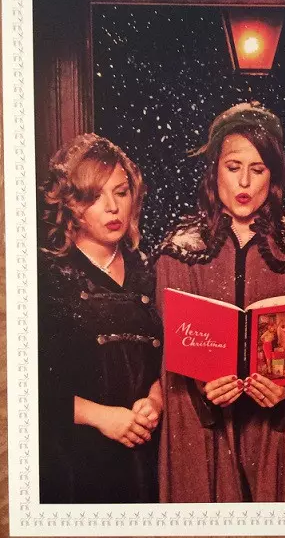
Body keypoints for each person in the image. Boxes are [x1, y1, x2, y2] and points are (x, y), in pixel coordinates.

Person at [154, 102, 285, 502]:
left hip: (278, 431)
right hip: (202, 429)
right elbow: (165, 358)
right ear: (214, 170)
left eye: (258, 169)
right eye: (233, 167)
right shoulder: (180, 252)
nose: (244, 181)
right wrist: (200, 385)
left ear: (273, 175)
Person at [37, 134, 163, 504]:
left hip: (146, 456)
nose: (112, 207)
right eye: (94, 197)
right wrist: (101, 417)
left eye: (121, 192)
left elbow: (164, 362)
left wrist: (156, 401)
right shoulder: (48, 276)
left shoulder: (149, 269)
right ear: (70, 203)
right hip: (76, 461)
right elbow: (27, 388)